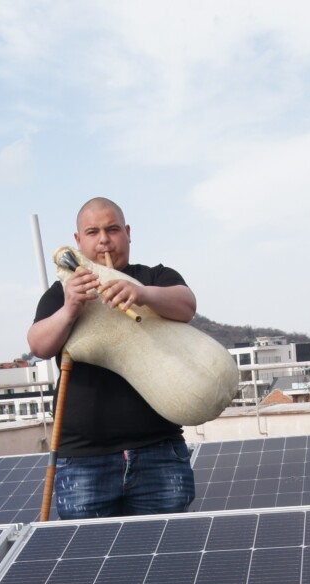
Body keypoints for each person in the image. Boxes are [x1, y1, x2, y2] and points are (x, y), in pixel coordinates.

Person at [28, 197, 197, 519]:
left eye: (113, 229)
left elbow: (186, 305)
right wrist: (70, 308)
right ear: (79, 241)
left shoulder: (154, 275)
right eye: (92, 232)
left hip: (159, 449)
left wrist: (143, 293)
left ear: (128, 233)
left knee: (167, 555)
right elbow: (39, 345)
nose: (104, 240)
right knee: (88, 561)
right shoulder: (63, 290)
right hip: (83, 458)